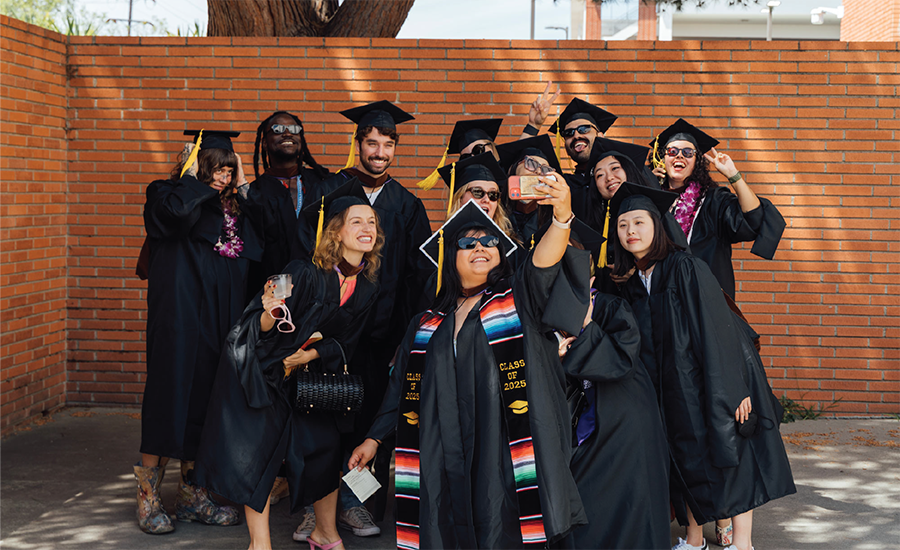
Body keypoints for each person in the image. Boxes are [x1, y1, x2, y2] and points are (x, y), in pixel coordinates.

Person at [350, 176, 593, 549]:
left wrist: (561, 216)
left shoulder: (517, 301)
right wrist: (373, 438)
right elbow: (403, 388)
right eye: (467, 243)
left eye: (490, 241)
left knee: (501, 524)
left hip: (502, 445)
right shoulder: (427, 322)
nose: (480, 247)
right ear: (450, 255)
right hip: (442, 446)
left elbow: (543, 263)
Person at [193, 180, 383, 550]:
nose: (367, 229)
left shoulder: (367, 286)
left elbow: (347, 342)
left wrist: (309, 355)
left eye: (372, 223)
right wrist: (267, 314)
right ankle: (259, 544)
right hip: (264, 374)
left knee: (325, 450)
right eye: (356, 222)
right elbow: (262, 323)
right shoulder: (305, 271)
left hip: (308, 378)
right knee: (259, 456)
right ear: (336, 232)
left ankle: (324, 533)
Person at [610, 183, 795, 550]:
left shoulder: (685, 267)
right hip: (668, 389)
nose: (631, 231)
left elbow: (718, 328)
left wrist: (735, 388)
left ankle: (742, 545)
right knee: (682, 460)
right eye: (623, 225)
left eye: (639, 222)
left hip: (705, 381)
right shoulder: (630, 282)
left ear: (658, 226)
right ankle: (695, 540)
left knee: (731, 457)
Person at [295, 100, 433, 541]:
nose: (378, 151)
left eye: (386, 144)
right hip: (333, 334)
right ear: (358, 144)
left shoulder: (407, 204)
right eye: (371, 142)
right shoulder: (330, 194)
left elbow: (417, 277)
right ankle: (314, 508)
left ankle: (359, 504)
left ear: (395, 149)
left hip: (381, 338)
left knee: (372, 423)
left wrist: (406, 338)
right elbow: (308, 256)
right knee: (321, 419)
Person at [135, 130, 262, 534]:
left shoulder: (235, 208)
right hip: (180, 317)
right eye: (217, 168)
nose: (223, 177)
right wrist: (194, 178)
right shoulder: (168, 194)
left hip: (219, 320)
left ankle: (192, 496)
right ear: (197, 165)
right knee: (168, 397)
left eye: (229, 168)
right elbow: (173, 216)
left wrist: (242, 182)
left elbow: (269, 237)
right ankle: (148, 497)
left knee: (207, 402)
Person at [555, 220, 671, 550]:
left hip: (623, 426)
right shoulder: (540, 315)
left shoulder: (609, 306)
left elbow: (619, 360)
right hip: (579, 430)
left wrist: (587, 325)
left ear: (590, 276)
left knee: (629, 514)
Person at [649, 118, 786, 300]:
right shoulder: (648, 200)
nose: (679, 156)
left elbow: (753, 217)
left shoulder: (713, 200)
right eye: (672, 151)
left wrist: (733, 175)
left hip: (704, 299)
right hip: (658, 297)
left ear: (697, 161)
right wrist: (647, 183)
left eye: (688, 152)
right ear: (662, 158)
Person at [245, 111, 331, 303]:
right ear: (265, 142)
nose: (287, 133)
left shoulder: (322, 182)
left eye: (294, 129)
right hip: (274, 288)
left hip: (320, 286)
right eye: (278, 129)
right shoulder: (256, 191)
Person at [584, 136, 687, 295]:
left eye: (615, 168)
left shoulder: (651, 210)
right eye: (599, 175)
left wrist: (639, 273)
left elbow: (675, 261)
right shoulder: (597, 221)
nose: (609, 177)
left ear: (629, 169)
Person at [547, 98, 618, 220]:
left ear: (601, 136)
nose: (576, 135)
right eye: (569, 133)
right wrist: (533, 126)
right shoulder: (564, 185)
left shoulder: (623, 175)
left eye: (584, 129)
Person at [496, 134, 563, 249]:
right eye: (531, 163)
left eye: (545, 170)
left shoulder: (553, 219)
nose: (538, 171)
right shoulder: (494, 209)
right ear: (512, 169)